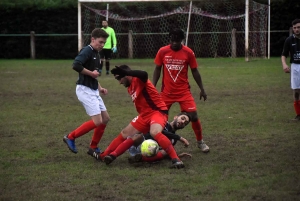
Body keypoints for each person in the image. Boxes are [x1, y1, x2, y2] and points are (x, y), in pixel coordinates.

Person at [95, 65, 185, 168]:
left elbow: (144, 74)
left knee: (154, 132)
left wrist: (128, 72)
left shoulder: (139, 79)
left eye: (119, 78)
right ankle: (106, 155)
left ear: (126, 75)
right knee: (125, 133)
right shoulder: (130, 87)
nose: (119, 82)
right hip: (144, 115)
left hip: (157, 112)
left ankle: (176, 161)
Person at [153, 28, 210, 152]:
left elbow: (195, 71)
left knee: (194, 116)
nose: (174, 43)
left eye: (177, 41)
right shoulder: (163, 51)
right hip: (166, 92)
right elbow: (157, 69)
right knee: (158, 118)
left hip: (183, 91)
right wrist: (152, 87)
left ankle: (200, 142)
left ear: (181, 40)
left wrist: (202, 89)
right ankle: (154, 142)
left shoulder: (188, 52)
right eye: (172, 41)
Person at [63, 28, 110, 156]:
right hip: (84, 90)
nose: (102, 45)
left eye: (104, 43)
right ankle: (70, 137)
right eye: (100, 42)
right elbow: (76, 65)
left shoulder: (97, 53)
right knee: (97, 121)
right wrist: (91, 73)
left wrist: (100, 87)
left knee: (105, 119)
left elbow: (93, 75)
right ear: (92, 39)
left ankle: (93, 147)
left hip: (93, 89)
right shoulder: (87, 51)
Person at [127, 112, 192, 164]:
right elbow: (160, 131)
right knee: (138, 136)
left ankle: (140, 158)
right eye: (182, 118)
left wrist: (178, 156)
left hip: (150, 152)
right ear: (175, 117)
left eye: (185, 123)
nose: (183, 122)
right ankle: (117, 152)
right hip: (138, 145)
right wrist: (179, 137)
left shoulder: (174, 140)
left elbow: (167, 151)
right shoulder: (162, 122)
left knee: (165, 151)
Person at [281, 19, 300, 121]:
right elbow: (283, 55)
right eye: (295, 28)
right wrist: (284, 64)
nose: (297, 29)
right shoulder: (289, 40)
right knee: (296, 91)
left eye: (298, 27)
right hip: (295, 67)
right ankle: (298, 114)